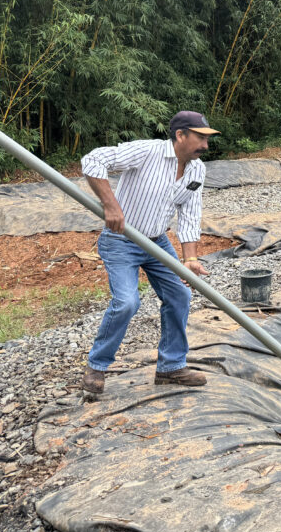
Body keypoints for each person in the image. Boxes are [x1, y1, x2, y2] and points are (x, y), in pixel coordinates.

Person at [79, 111, 219, 394]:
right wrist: (110, 205)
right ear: (180, 135)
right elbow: (92, 160)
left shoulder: (196, 170)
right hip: (122, 240)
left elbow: (190, 213)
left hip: (157, 242)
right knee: (127, 302)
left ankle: (170, 368)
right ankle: (96, 367)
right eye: (200, 138)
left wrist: (190, 258)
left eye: (207, 139)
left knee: (180, 294)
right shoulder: (147, 151)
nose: (205, 145)